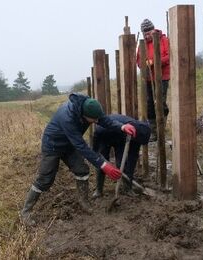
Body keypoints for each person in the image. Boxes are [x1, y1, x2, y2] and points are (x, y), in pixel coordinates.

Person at [20, 93, 137, 226]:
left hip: (69, 145)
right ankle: (26, 212)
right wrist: (104, 165)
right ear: (83, 115)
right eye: (92, 120)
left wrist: (121, 126)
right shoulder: (67, 118)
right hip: (53, 145)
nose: (94, 122)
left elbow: (104, 120)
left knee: (82, 170)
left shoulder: (90, 108)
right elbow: (81, 146)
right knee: (45, 179)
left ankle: (84, 202)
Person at [92, 114, 151, 198]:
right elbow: (97, 133)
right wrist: (96, 152)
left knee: (122, 163)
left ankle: (127, 188)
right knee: (102, 163)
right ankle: (98, 190)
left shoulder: (139, 132)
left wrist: (129, 177)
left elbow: (133, 158)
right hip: (104, 135)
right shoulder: (115, 126)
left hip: (121, 138)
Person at [136, 18, 170, 142]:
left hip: (162, 77)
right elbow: (138, 60)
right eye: (144, 32)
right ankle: (153, 132)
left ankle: (161, 128)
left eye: (148, 31)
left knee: (160, 102)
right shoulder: (142, 44)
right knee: (150, 104)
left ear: (153, 29)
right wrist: (143, 64)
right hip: (149, 78)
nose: (147, 34)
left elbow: (169, 56)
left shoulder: (163, 39)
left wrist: (154, 62)